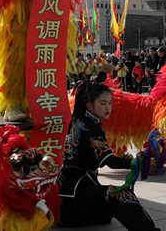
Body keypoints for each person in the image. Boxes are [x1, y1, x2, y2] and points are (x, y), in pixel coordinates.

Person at [59, 80, 160, 231]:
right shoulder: (91, 127)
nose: (108, 108)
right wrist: (135, 162)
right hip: (76, 193)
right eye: (103, 103)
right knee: (123, 196)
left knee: (106, 215)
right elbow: (109, 161)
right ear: (89, 105)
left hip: (67, 191)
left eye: (110, 103)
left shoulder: (78, 119)